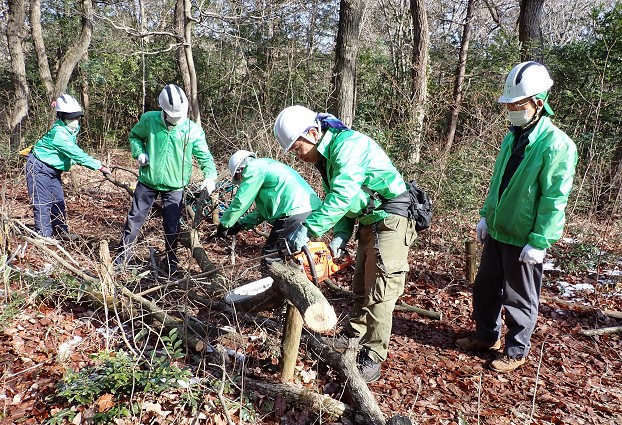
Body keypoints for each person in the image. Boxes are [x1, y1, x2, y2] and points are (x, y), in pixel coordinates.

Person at [273, 105, 417, 383]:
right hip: (368, 219)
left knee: (381, 289)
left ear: (313, 133)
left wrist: (310, 229)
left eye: (297, 148)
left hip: (391, 219)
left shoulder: (348, 146)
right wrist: (341, 234)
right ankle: (353, 335)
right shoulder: (326, 159)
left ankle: (373, 355)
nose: (297, 156)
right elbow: (342, 204)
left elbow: (342, 194)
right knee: (361, 286)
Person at [455, 61, 578, 373]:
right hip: (498, 230)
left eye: (516, 104)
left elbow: (554, 198)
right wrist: (486, 217)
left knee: (520, 297)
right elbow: (499, 181)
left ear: (538, 103)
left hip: (524, 237)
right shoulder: (513, 136)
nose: (510, 109)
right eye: (508, 104)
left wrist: (540, 241)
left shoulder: (557, 145)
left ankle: (516, 350)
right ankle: (486, 337)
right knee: (485, 287)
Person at [115, 84, 217, 274]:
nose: (177, 118)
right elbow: (135, 137)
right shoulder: (149, 120)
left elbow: (205, 157)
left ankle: (171, 261)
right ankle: (122, 258)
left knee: (172, 226)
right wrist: (139, 152)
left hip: (175, 186)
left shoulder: (192, 130)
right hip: (148, 180)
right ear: (163, 109)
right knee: (134, 219)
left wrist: (210, 176)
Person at [25, 94, 111, 241]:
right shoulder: (59, 133)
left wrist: (70, 162)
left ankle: (61, 232)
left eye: (77, 117)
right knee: (42, 203)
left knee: (58, 201)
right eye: (72, 117)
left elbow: (67, 153)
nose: (75, 121)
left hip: (53, 170)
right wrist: (99, 166)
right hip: (39, 168)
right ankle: (44, 236)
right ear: (62, 116)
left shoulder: (70, 130)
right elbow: (75, 152)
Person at [216, 150, 322, 265]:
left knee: (270, 258)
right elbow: (263, 213)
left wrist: (225, 224)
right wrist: (240, 225)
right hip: (310, 209)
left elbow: (240, 202)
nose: (242, 180)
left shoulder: (252, 169)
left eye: (239, 177)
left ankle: (276, 282)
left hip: (294, 212)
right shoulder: (266, 166)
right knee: (293, 256)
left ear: (240, 169)